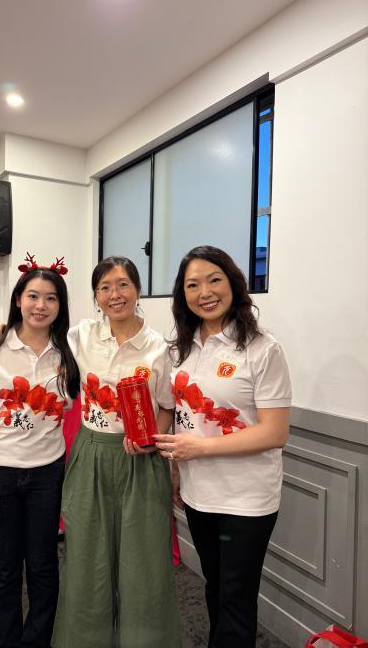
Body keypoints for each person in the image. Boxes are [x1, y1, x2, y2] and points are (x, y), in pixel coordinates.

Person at [0, 256, 181, 648]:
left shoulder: (159, 348)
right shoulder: (79, 337)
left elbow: (168, 406)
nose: (114, 294)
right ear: (96, 296)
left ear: (138, 290)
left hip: (140, 459)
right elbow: (36, 325)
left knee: (142, 562)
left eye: (123, 285)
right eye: (105, 287)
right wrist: (2, 327)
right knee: (87, 560)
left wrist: (152, 438)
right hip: (89, 456)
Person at [154, 245, 292, 648]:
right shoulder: (182, 349)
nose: (205, 292)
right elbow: (182, 416)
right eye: (192, 285)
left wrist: (200, 449)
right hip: (199, 492)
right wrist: (177, 471)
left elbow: (274, 433)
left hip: (246, 498)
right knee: (214, 587)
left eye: (214, 280)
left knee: (236, 598)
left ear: (233, 283)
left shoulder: (262, 349)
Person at [0, 254, 80, 648]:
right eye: (33, 296)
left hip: (48, 474)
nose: (41, 305)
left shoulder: (70, 350)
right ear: (17, 300)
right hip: (0, 475)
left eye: (51, 298)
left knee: (44, 567)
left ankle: (37, 640)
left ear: (60, 305)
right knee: (5, 570)